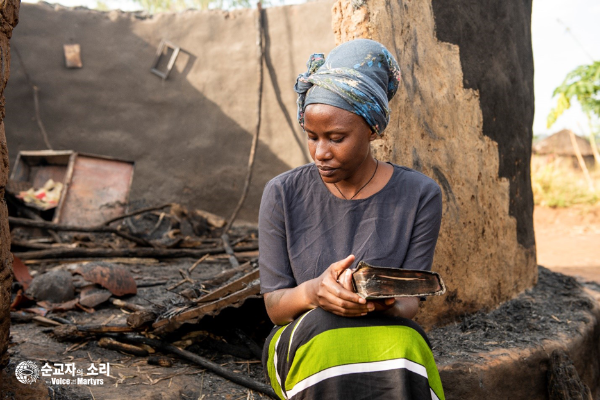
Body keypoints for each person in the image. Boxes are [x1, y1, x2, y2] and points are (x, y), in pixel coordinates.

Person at [258, 39, 445, 400]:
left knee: (405, 354)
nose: (320, 152)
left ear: (373, 129)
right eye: (312, 137)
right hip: (306, 332)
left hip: (387, 329)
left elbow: (410, 304)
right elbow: (275, 308)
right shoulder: (282, 193)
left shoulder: (421, 196)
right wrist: (316, 292)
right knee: (329, 351)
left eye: (336, 138)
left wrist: (378, 299)